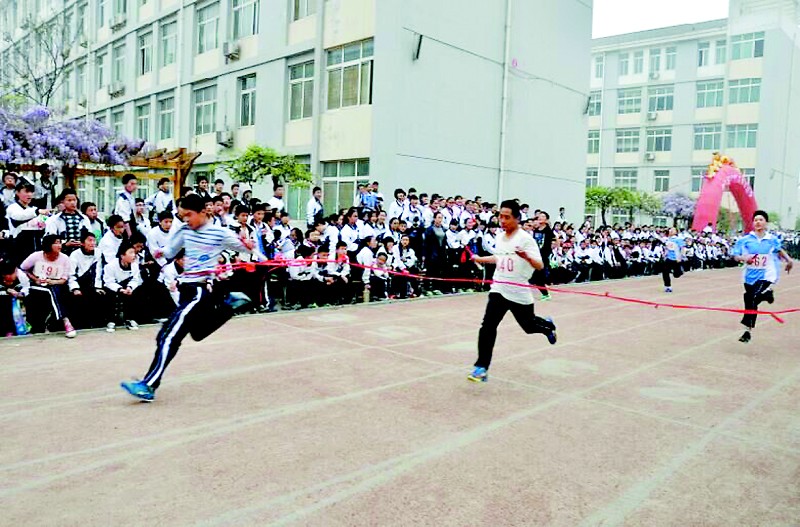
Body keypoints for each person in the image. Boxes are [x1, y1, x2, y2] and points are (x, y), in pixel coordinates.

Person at [120, 193, 265, 402]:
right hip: (185, 289)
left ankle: (148, 385)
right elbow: (171, 250)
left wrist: (252, 247)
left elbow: (248, 250)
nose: (186, 220)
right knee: (197, 333)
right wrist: (161, 252)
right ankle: (230, 306)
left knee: (168, 336)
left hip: (200, 290)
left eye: (188, 215)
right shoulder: (184, 229)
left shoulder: (219, 233)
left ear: (202, 212)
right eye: (182, 216)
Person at [467, 200, 556, 383]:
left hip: (519, 292)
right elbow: (499, 258)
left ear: (517, 218)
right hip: (499, 288)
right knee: (487, 327)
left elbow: (539, 265)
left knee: (529, 327)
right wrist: (480, 259)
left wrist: (526, 256)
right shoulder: (500, 237)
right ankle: (481, 367)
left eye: (507, 217)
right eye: (501, 216)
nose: (502, 220)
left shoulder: (525, 239)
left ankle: (547, 326)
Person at [732, 210, 793, 343]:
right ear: (753, 223)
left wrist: (789, 260)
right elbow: (736, 255)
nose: (758, 222)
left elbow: (779, 250)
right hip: (749, 276)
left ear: (766, 223)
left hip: (766, 275)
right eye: (755, 220)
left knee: (752, 297)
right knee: (750, 300)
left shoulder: (772, 240)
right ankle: (765, 297)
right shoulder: (745, 240)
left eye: (761, 220)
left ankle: (747, 330)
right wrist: (744, 258)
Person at [20, 234, 77, 338]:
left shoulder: (65, 259)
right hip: (37, 285)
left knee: (52, 290)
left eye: (60, 242)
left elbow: (64, 279)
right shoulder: (36, 256)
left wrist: (52, 282)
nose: (59, 245)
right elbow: (23, 268)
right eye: (56, 243)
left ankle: (63, 319)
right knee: (49, 291)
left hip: (56, 284)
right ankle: (65, 320)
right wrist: (35, 279)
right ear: (48, 245)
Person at [114, 173, 138, 238]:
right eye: (132, 184)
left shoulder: (130, 197)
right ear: (125, 184)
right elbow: (125, 220)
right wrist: (130, 236)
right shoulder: (123, 200)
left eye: (136, 184)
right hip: (125, 230)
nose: (135, 186)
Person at [662, 227, 684, 293]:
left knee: (676, 275)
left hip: (676, 258)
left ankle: (680, 270)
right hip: (669, 258)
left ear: (676, 232)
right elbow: (667, 248)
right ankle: (668, 286)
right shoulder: (668, 239)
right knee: (665, 272)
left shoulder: (679, 239)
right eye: (670, 229)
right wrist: (664, 254)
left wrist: (681, 257)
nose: (671, 230)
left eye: (673, 230)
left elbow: (682, 248)